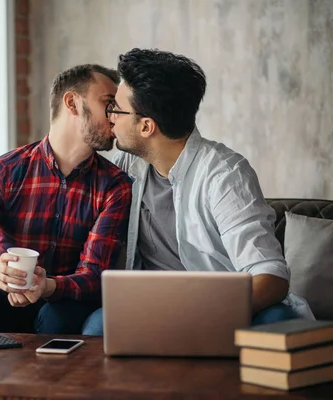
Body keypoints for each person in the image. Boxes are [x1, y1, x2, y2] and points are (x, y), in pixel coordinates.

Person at [83, 48, 304, 336]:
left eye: (117, 109)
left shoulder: (224, 174)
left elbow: (271, 276)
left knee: (278, 321)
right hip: (152, 307)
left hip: (221, 309)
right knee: (97, 326)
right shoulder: (127, 164)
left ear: (147, 126)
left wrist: (205, 316)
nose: (110, 116)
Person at [0, 64, 132, 334]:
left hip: (62, 302)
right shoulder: (4, 171)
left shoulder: (115, 185)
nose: (115, 117)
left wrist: (48, 286)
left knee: (61, 315)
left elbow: (95, 276)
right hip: (5, 296)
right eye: (108, 104)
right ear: (72, 103)